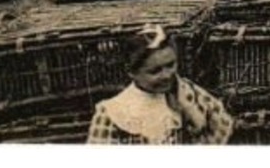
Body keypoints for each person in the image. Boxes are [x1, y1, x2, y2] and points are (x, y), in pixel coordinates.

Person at [88, 25, 233, 145]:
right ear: (132, 73)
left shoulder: (186, 92)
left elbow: (222, 125)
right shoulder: (113, 112)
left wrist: (190, 111)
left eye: (170, 65)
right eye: (155, 71)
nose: (167, 75)